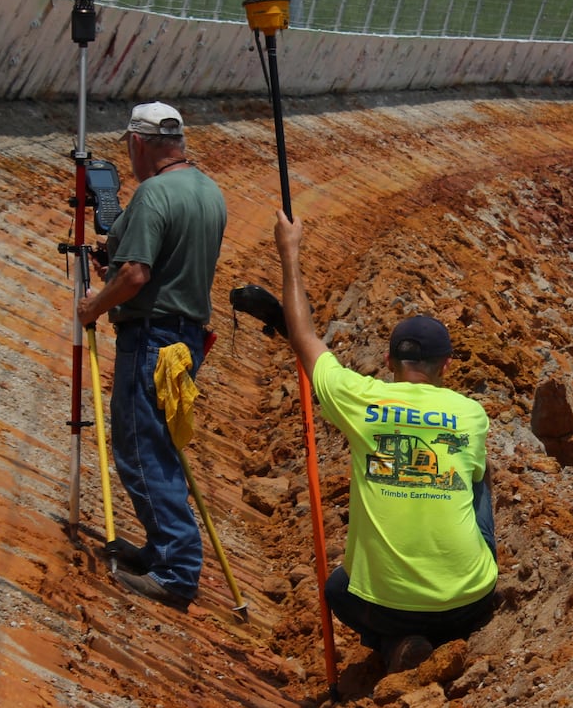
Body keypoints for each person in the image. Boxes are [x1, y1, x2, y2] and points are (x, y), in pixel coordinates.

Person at [273, 210, 497, 673]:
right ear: (447, 366)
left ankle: (396, 642)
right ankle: (442, 630)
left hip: (383, 605)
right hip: (469, 601)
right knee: (478, 476)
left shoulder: (360, 399)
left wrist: (289, 251)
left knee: (338, 589)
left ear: (389, 360)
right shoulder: (470, 414)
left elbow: (304, 337)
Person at [79, 102, 227, 609]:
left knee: (142, 449)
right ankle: (162, 548)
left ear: (138, 143)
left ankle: (177, 571)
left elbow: (136, 275)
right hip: (185, 337)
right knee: (161, 443)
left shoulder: (154, 193)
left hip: (152, 337)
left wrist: (93, 306)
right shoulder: (208, 190)